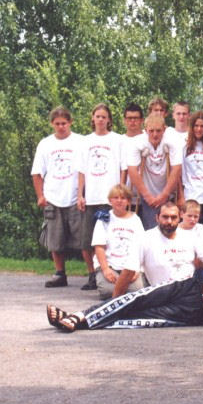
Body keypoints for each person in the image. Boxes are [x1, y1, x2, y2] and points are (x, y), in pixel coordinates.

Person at [46, 233, 203, 332]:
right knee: (136, 299)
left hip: (201, 313)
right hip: (189, 288)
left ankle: (79, 323)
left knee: (141, 319)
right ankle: (79, 316)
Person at [31, 106, 86, 288]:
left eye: (64, 123)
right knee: (55, 239)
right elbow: (37, 173)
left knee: (84, 239)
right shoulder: (45, 144)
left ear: (71, 122)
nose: (61, 127)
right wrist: (40, 196)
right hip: (53, 197)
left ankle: (93, 274)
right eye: (57, 124)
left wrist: (83, 194)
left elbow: (86, 169)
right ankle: (60, 273)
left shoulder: (81, 141)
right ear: (52, 124)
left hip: (75, 197)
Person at [77, 103, 125, 290]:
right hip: (91, 198)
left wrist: (120, 191)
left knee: (109, 241)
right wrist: (80, 195)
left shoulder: (117, 140)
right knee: (87, 241)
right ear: (92, 118)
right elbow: (81, 170)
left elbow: (123, 168)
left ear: (109, 120)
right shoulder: (85, 141)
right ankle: (92, 274)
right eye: (97, 116)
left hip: (109, 199)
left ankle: (108, 274)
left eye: (104, 117)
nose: (100, 120)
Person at [126, 114, 183, 230]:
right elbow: (132, 171)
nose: (155, 134)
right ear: (145, 130)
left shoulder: (172, 141)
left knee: (168, 226)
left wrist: (165, 194)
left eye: (158, 131)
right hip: (148, 193)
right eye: (151, 131)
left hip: (168, 192)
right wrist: (147, 196)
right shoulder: (137, 142)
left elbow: (176, 169)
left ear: (164, 129)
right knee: (151, 229)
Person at [91, 184, 146, 300]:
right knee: (108, 291)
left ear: (129, 201)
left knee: (137, 291)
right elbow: (99, 247)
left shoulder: (136, 220)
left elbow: (142, 247)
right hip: (110, 265)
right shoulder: (104, 219)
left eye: (123, 198)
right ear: (110, 200)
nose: (119, 201)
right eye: (116, 198)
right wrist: (106, 269)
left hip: (129, 267)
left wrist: (137, 269)